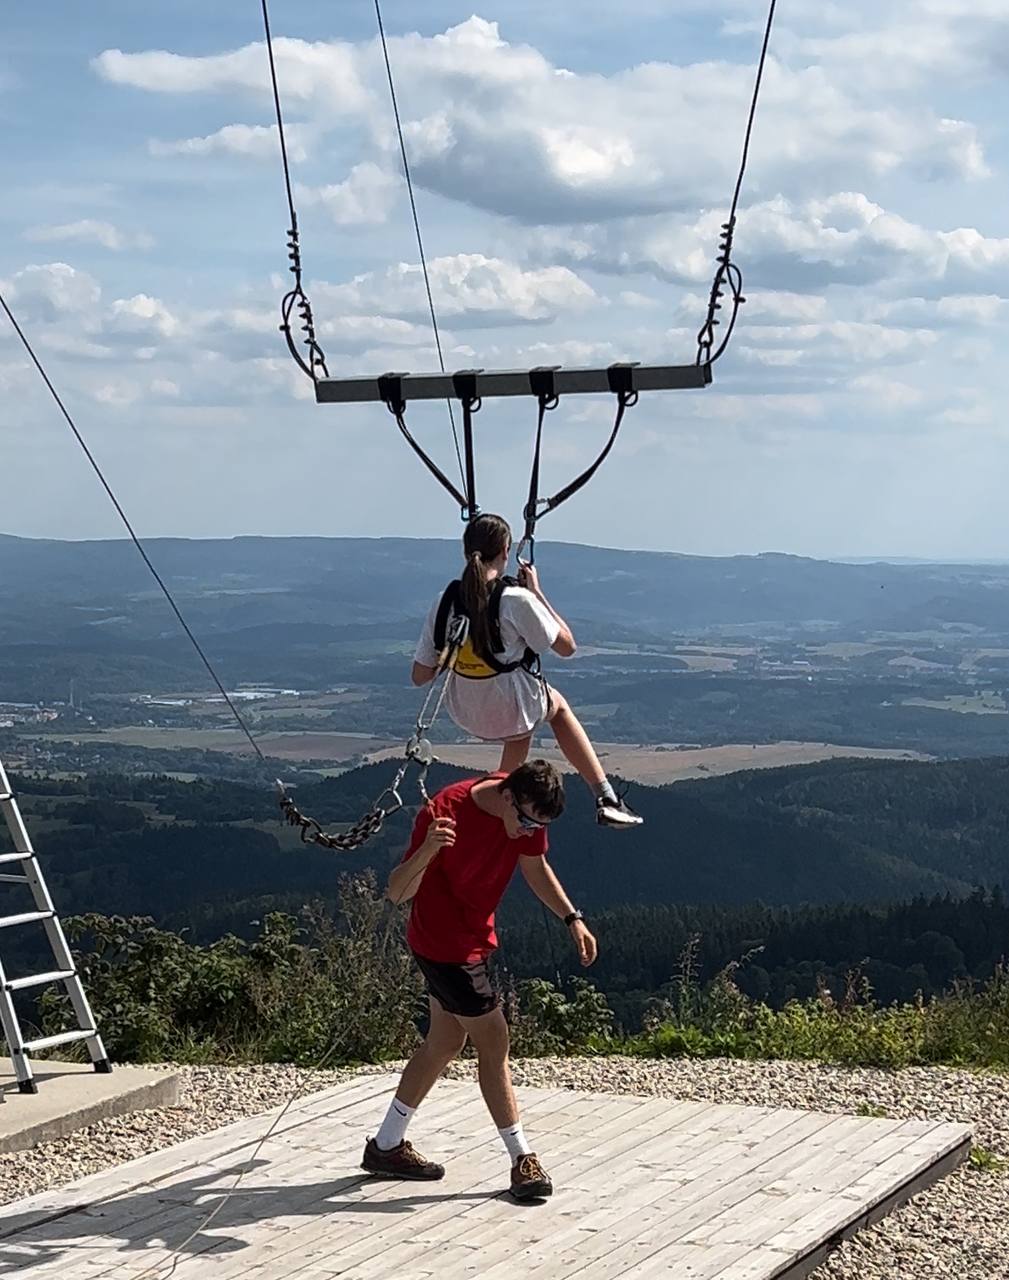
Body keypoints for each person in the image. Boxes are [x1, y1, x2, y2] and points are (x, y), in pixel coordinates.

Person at [361, 759, 596, 1201]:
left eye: (539, 825)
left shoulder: (527, 811)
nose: (529, 831)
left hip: (468, 941)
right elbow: (396, 891)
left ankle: (386, 1145)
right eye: (525, 820)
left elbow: (535, 866)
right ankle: (521, 1160)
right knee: (494, 1041)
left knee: (444, 1043)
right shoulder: (443, 813)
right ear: (508, 795)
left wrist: (572, 919)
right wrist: (428, 849)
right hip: (443, 945)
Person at [412, 513, 642, 829]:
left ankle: (500, 799)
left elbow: (420, 676)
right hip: (511, 710)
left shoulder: (444, 601)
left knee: (519, 721)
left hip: (463, 710)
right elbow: (567, 647)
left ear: (466, 552)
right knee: (554, 708)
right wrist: (537, 594)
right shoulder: (516, 600)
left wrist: (458, 653)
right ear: (507, 551)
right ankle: (606, 796)